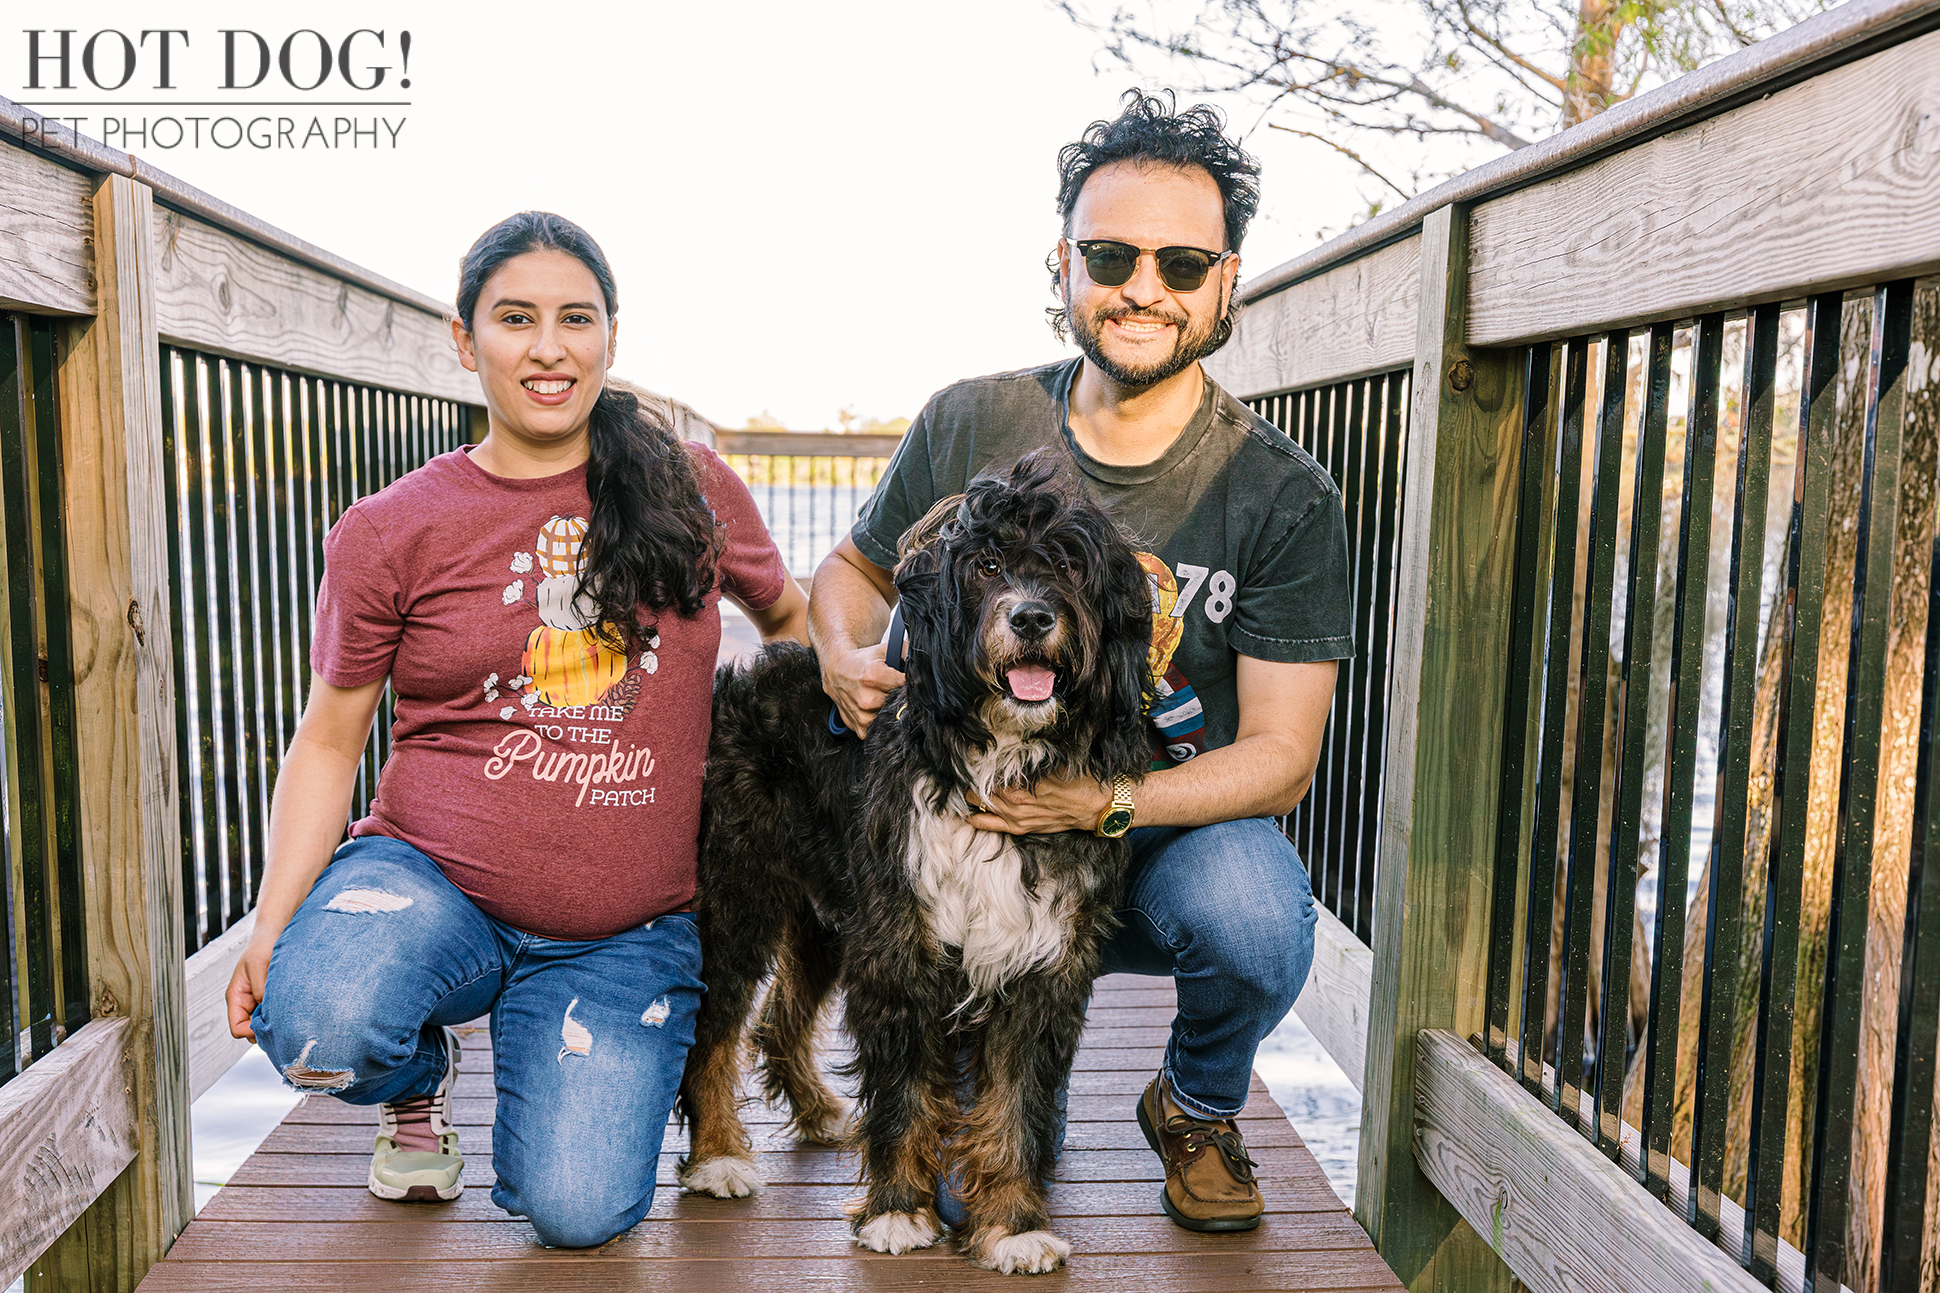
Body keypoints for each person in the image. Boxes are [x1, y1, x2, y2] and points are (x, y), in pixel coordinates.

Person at [812, 92, 1350, 1233]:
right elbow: (848, 577)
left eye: (1180, 260)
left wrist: (1100, 803)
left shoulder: (1283, 493)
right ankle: (955, 1058)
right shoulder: (970, 419)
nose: (1142, 285)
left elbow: (1281, 758)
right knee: (960, 1195)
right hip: (978, 820)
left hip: (1148, 840)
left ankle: (1196, 1105)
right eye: (1110, 254)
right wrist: (839, 654)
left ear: (1225, 281)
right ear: (1062, 264)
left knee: (1256, 923)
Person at [224, 211, 806, 1248]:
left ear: (610, 338)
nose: (548, 347)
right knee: (317, 1021)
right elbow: (326, 740)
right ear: (465, 341)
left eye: (575, 319)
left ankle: (552, 1077)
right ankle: (417, 1079)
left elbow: (796, 626)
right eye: (515, 319)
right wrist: (271, 929)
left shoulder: (694, 487)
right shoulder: (391, 527)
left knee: (577, 1210)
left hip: (625, 928)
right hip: (432, 880)